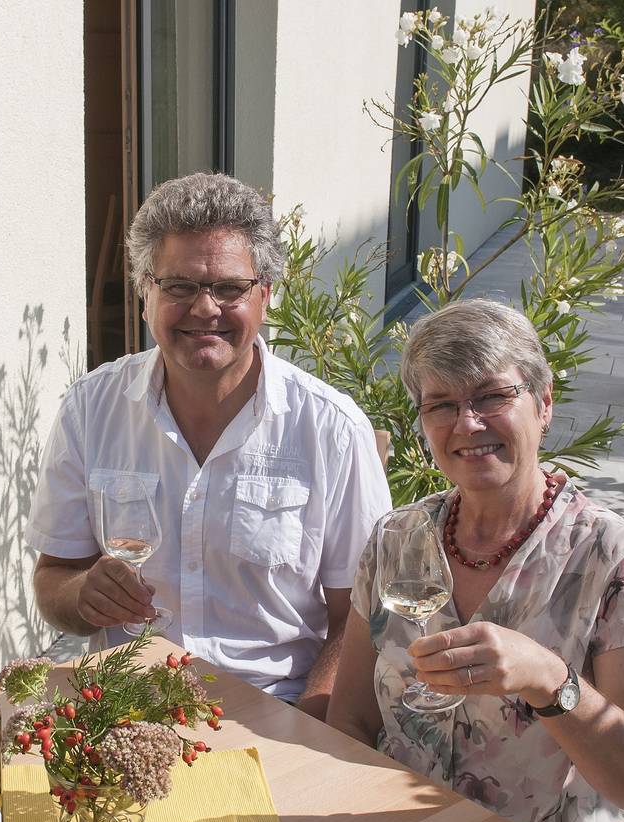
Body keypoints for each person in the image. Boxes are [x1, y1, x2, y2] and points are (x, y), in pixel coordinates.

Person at [326, 299, 624, 822]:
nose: (467, 424)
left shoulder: (616, 559)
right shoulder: (397, 539)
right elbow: (352, 717)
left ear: (543, 405)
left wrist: (548, 678)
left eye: (492, 396)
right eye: (441, 404)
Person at [29, 172, 392, 719]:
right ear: (146, 294)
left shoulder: (331, 429)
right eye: (179, 287)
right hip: (128, 711)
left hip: (276, 711)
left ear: (264, 295)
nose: (204, 309)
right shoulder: (91, 409)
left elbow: (362, 620)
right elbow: (53, 577)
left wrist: (309, 729)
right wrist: (82, 594)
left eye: (228, 288)